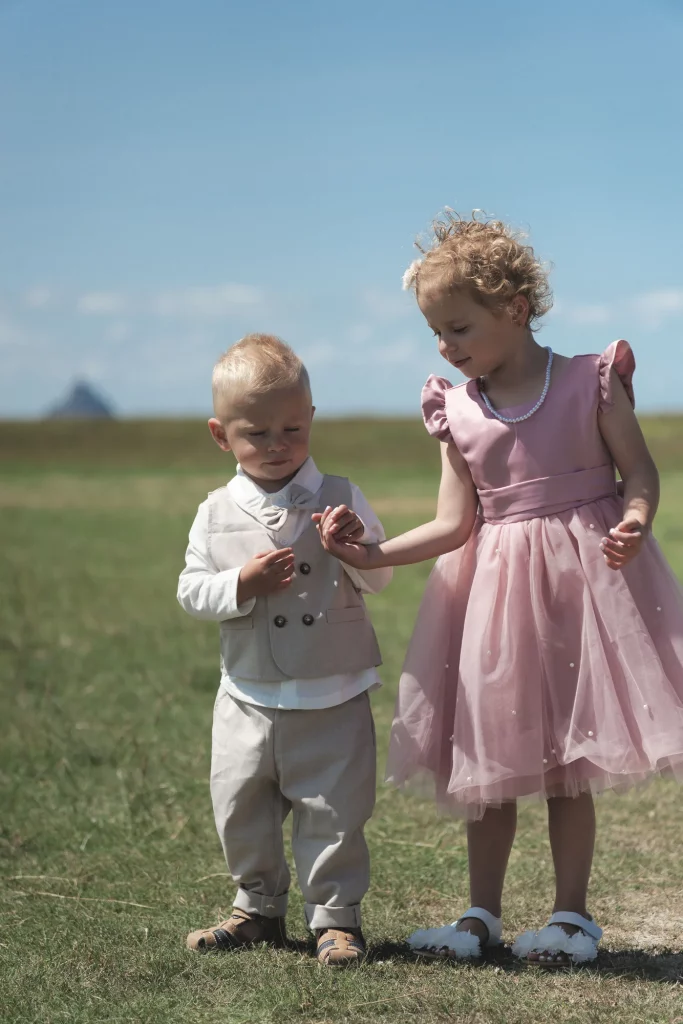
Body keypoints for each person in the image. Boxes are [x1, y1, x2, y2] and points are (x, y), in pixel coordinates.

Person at [317, 211, 683, 967]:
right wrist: (374, 550)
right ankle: (479, 914)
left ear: (512, 311)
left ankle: (570, 917)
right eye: (437, 337)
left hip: (586, 591)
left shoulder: (592, 379)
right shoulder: (454, 409)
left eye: (458, 329)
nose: (448, 349)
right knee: (487, 763)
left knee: (565, 765)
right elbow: (455, 525)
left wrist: (636, 518)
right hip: (492, 602)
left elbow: (637, 474)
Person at [177, 334, 391, 965]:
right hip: (246, 694)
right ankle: (255, 908)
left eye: (292, 429)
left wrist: (355, 550)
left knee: (335, 807)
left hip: (334, 689)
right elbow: (191, 591)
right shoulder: (214, 513)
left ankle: (335, 918)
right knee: (240, 801)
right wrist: (240, 584)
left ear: (312, 419)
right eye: (257, 433)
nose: (277, 446)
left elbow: (381, 575)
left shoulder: (344, 497)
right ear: (222, 436)